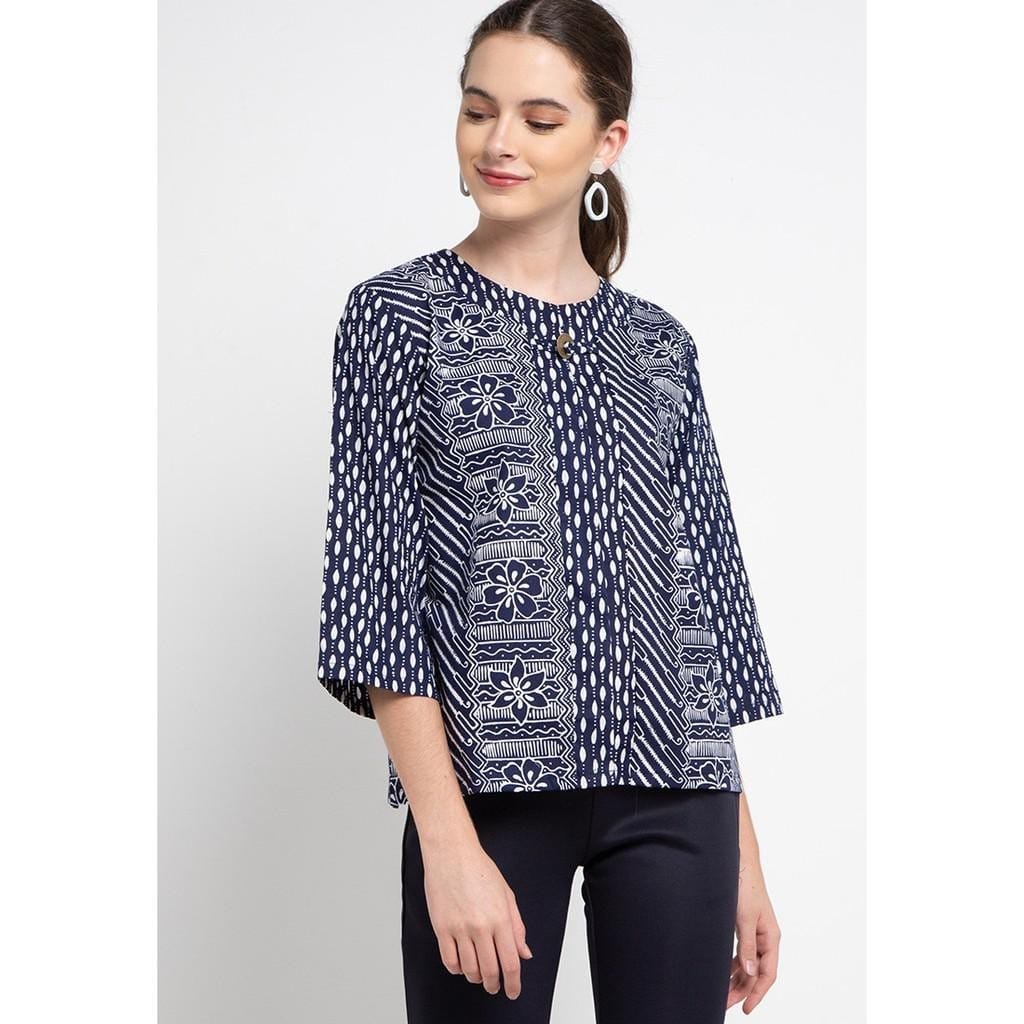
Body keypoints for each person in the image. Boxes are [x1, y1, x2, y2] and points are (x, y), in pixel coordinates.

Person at [315, 2, 784, 1021]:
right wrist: (446, 847)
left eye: (539, 119)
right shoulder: (396, 317)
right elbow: (379, 596)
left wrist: (743, 857)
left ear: (607, 142)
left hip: (679, 797)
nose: (498, 143)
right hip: (490, 798)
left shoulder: (659, 344)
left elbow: (700, 603)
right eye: (478, 110)